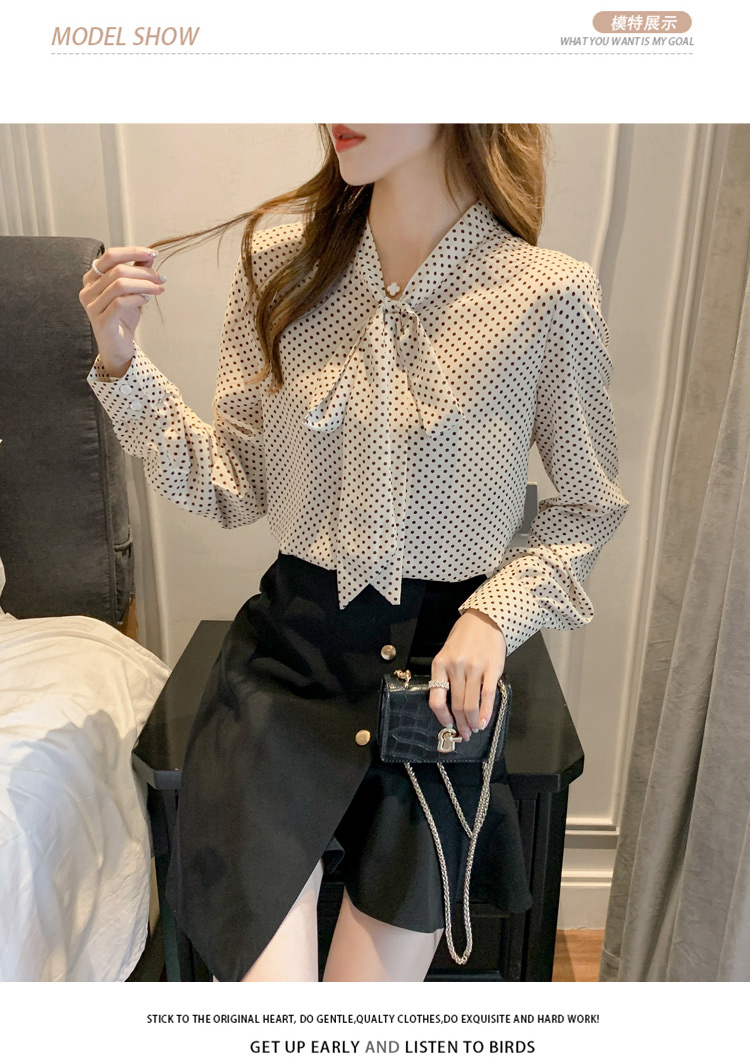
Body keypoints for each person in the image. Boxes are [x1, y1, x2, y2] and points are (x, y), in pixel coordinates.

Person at [79, 123, 630, 982]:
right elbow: (235, 485)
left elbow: (590, 505)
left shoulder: (546, 295)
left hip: (437, 696)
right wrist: (122, 361)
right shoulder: (279, 265)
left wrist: (494, 614)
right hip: (287, 676)